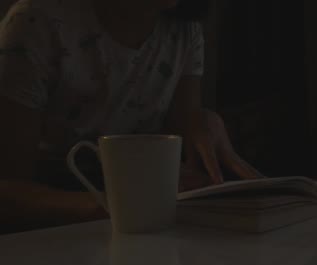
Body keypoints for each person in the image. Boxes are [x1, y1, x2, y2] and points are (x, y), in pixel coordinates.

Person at [0, 0, 262, 231]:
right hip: (55, 232)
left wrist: (201, 121)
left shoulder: (183, 29)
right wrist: (117, 206)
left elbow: (180, 132)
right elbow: (10, 193)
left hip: (146, 229)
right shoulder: (37, 23)